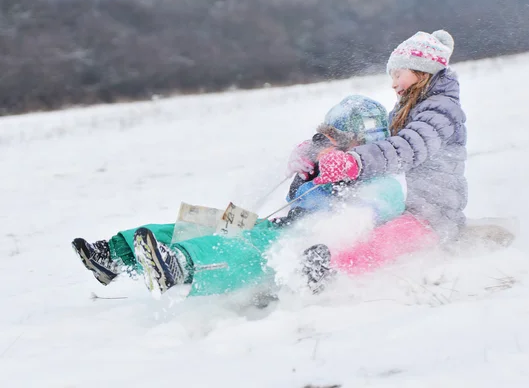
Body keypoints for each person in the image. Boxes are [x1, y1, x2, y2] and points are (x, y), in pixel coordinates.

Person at [72, 95, 408, 297]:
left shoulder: (384, 185)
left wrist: (323, 251)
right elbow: (264, 197)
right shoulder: (321, 166)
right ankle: (116, 254)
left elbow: (360, 226)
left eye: (334, 138)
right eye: (324, 137)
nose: (324, 144)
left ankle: (181, 264)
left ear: (360, 142)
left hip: (295, 244)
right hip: (273, 222)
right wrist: (298, 170)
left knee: (238, 246)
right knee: (206, 220)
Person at [300, 30, 467, 271]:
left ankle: (333, 272)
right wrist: (317, 150)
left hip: (432, 217)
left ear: (421, 70)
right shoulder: (409, 108)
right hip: (401, 206)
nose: (393, 83)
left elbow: (405, 148)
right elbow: (373, 142)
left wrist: (353, 162)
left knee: (377, 244)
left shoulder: (440, 111)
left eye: (398, 74)